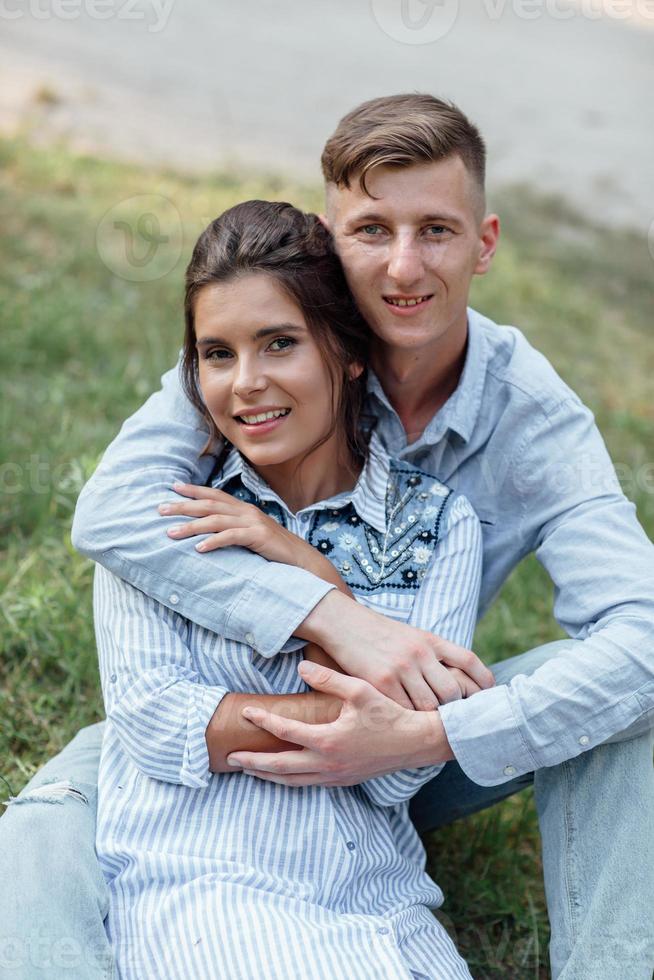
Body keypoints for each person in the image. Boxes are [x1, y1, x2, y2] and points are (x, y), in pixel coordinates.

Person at [1, 94, 653, 979]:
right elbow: (113, 513)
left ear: (485, 243)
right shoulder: (260, 356)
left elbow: (644, 640)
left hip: (429, 732)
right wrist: (332, 612)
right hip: (223, 728)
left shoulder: (533, 421)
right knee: (54, 819)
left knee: (624, 704)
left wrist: (427, 741)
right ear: (329, 237)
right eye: (372, 231)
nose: (404, 266)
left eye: (437, 230)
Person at [99, 199, 486, 978]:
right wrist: (369, 716)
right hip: (211, 881)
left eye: (279, 344)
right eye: (216, 353)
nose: (246, 384)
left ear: (346, 352)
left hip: (385, 899)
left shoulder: (440, 524)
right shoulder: (169, 515)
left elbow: (412, 764)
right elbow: (156, 719)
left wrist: (313, 574)